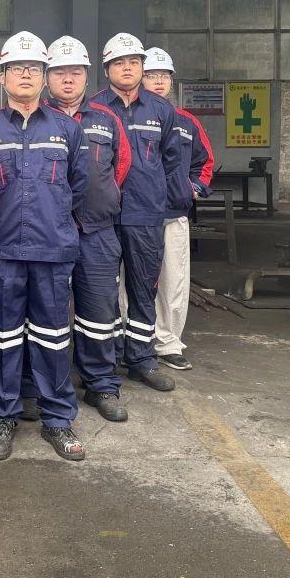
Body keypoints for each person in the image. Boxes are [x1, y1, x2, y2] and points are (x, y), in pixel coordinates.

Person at [0, 32, 90, 461]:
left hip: (52, 251)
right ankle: (2, 415)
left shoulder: (67, 129)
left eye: (34, 69)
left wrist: (54, 219)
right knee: (2, 338)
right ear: (2, 76)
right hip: (3, 251)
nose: (25, 75)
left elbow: (78, 185)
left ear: (44, 78)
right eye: (16, 68)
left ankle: (57, 419)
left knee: (53, 338)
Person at [42, 36, 132, 422]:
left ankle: (101, 384)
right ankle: (44, 384)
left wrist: (101, 197)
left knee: (98, 312)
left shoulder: (106, 120)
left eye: (76, 72)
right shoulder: (37, 118)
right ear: (47, 77)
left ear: (86, 76)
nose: (68, 79)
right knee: (46, 315)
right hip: (49, 233)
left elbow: (120, 166)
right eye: (60, 72)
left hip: (97, 232)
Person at [94, 32, 184, 393]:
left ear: (142, 67)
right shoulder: (94, 108)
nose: (127, 68)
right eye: (119, 63)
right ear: (107, 70)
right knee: (103, 291)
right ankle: (108, 358)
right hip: (103, 218)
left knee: (143, 288)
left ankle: (142, 359)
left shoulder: (161, 110)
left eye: (133, 62)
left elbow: (173, 161)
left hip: (146, 214)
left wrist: (168, 201)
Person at [140, 47, 213, 371]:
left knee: (173, 281)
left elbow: (204, 162)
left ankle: (168, 343)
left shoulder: (187, 123)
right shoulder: (126, 119)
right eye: (151, 75)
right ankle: (133, 341)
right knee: (130, 283)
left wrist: (192, 188)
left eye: (164, 76)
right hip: (134, 216)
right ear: (140, 79)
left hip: (173, 215)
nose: (158, 81)